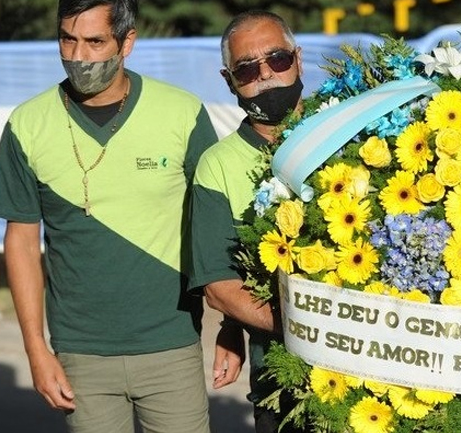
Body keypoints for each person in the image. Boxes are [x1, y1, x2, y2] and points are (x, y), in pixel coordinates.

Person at [0, 1, 219, 432]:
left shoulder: (182, 112)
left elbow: (215, 228)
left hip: (172, 345)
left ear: (127, 42)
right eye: (67, 39)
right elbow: (21, 241)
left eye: (94, 41)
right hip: (80, 353)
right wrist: (36, 350)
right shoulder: (27, 123)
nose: (78, 56)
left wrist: (232, 326)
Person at [188, 10, 306, 433]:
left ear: (298, 59)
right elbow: (220, 288)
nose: (266, 75)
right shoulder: (216, 166)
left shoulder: (350, 134)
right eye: (247, 69)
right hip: (282, 379)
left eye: (277, 59)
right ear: (229, 80)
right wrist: (315, 330)